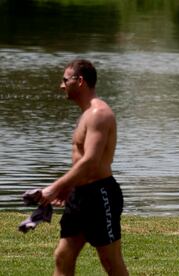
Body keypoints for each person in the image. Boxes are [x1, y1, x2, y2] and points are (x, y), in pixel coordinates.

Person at [40, 59, 129, 276]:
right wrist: (71, 186)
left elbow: (91, 161)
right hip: (80, 195)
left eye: (65, 80)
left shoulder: (99, 114)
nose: (62, 86)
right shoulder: (87, 114)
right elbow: (83, 162)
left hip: (100, 195)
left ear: (79, 81)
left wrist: (54, 187)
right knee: (63, 256)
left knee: (110, 261)